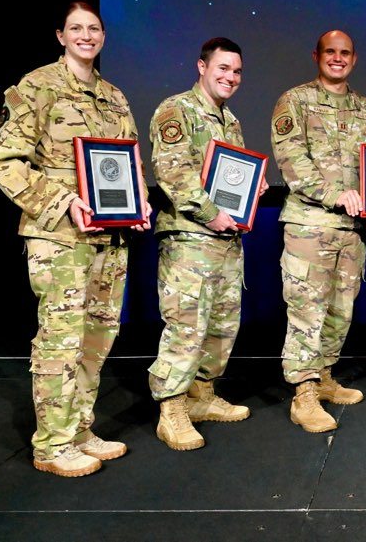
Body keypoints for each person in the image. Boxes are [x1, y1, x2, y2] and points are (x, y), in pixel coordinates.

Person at [0, 2, 151, 477]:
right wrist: (62, 201)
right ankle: (53, 444)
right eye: (76, 28)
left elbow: (129, 162)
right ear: (60, 35)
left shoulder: (114, 96)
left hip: (109, 237)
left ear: (103, 36)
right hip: (60, 236)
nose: (86, 35)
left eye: (94, 28)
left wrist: (139, 203)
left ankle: (79, 429)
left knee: (96, 338)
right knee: (60, 339)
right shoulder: (36, 87)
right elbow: (4, 162)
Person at [148, 37, 265, 451]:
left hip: (225, 239)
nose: (231, 77)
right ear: (202, 67)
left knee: (221, 324)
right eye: (223, 68)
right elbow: (173, 173)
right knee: (187, 324)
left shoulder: (230, 120)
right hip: (190, 238)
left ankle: (201, 395)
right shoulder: (176, 110)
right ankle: (171, 410)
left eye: (237, 71)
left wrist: (253, 190)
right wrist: (211, 213)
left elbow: (231, 178)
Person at [271, 30, 366, 433]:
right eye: (330, 52)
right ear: (316, 56)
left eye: (345, 53)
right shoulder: (295, 101)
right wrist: (336, 195)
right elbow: (292, 161)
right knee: (307, 311)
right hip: (310, 226)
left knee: (340, 310)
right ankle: (303, 395)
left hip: (352, 230)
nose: (338, 58)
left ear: (354, 59)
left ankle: (323, 377)